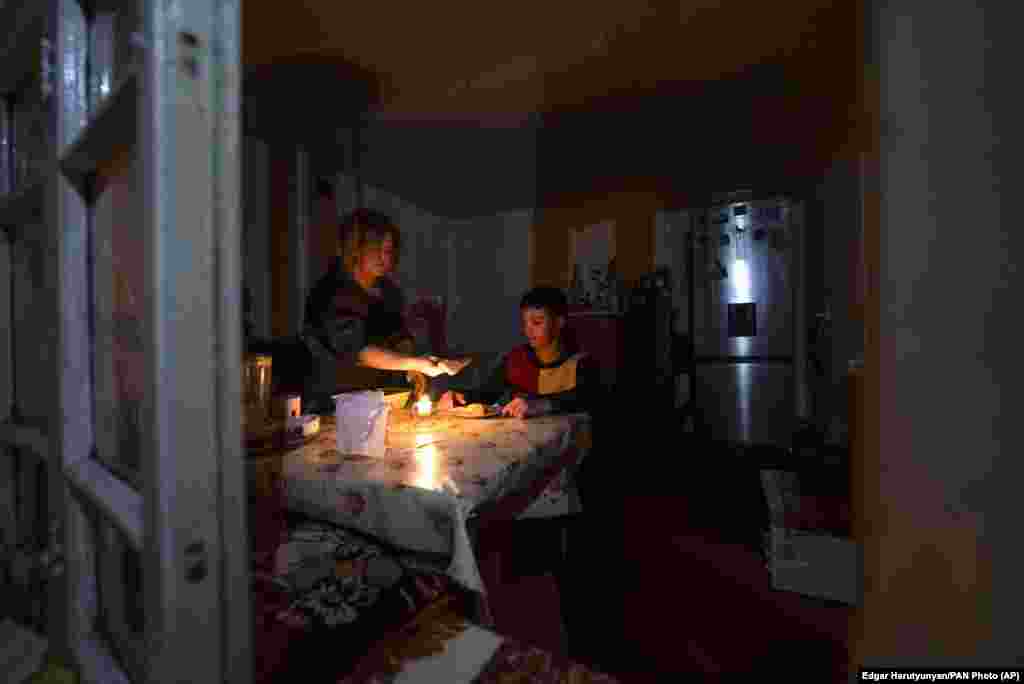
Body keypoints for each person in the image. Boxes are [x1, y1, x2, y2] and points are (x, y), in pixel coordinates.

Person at [298, 208, 469, 414]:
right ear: (356, 247)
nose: (382, 257)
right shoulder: (331, 292)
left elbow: (399, 337)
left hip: (379, 403)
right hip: (330, 405)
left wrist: (412, 369)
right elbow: (358, 350)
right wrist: (415, 363)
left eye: (387, 251)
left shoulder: (389, 293)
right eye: (375, 248)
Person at [438, 286, 600, 419]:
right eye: (525, 322)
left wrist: (541, 404)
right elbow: (487, 392)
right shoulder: (516, 359)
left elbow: (586, 397)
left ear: (559, 323)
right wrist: (461, 397)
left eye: (537, 322)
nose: (528, 330)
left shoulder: (580, 363)